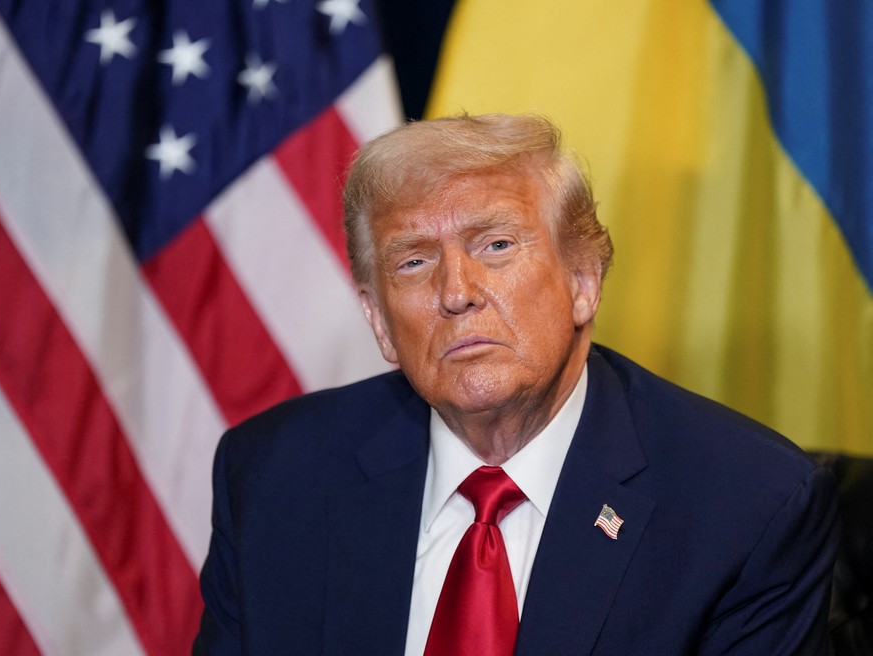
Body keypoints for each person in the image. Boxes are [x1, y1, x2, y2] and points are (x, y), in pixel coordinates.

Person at [193, 113, 839, 655]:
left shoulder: (744, 501)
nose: (456, 293)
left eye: (496, 245)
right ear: (379, 320)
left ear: (584, 280)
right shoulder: (278, 474)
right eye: (414, 261)